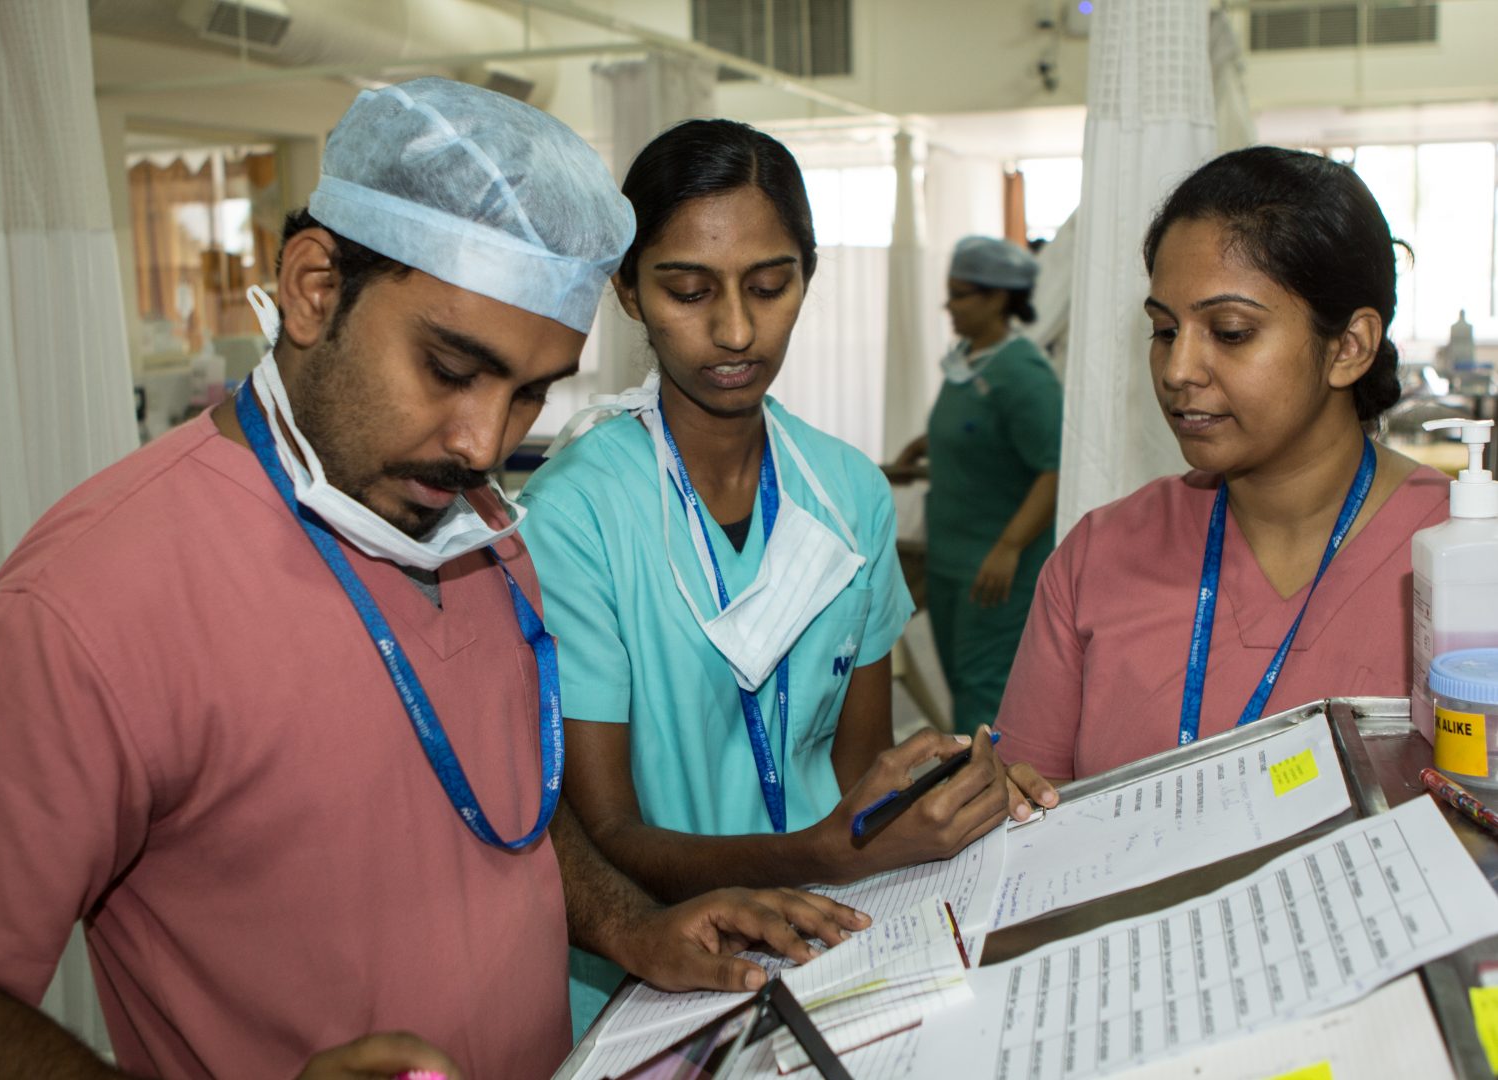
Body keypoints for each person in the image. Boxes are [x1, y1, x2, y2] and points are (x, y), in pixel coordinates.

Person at [0, 81, 867, 1080]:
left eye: (528, 395)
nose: (483, 444)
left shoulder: (476, 540)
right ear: (311, 288)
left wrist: (636, 929)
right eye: (448, 366)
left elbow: (503, 816)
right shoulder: (91, 607)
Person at [516, 119, 1056, 1030]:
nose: (735, 329)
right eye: (688, 290)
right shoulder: (577, 514)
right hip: (657, 970)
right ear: (628, 292)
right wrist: (820, 850)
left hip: (832, 933)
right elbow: (606, 837)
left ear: (807, 274)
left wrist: (945, 796)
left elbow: (861, 782)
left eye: (770, 286)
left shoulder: (847, 491)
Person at [996, 146, 1450, 781]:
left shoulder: (1461, 559)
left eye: (1230, 332)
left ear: (1349, 347)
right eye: (1164, 331)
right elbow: (1019, 807)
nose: (1178, 370)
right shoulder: (1100, 557)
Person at [890, 237, 1063, 736]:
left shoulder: (1023, 375)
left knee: (984, 689)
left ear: (998, 297)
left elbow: (1054, 468)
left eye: (962, 295)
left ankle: (987, 800)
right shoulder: (969, 360)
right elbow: (979, 428)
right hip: (951, 561)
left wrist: (1009, 546)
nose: (950, 307)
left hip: (996, 571)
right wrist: (927, 445)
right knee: (962, 682)